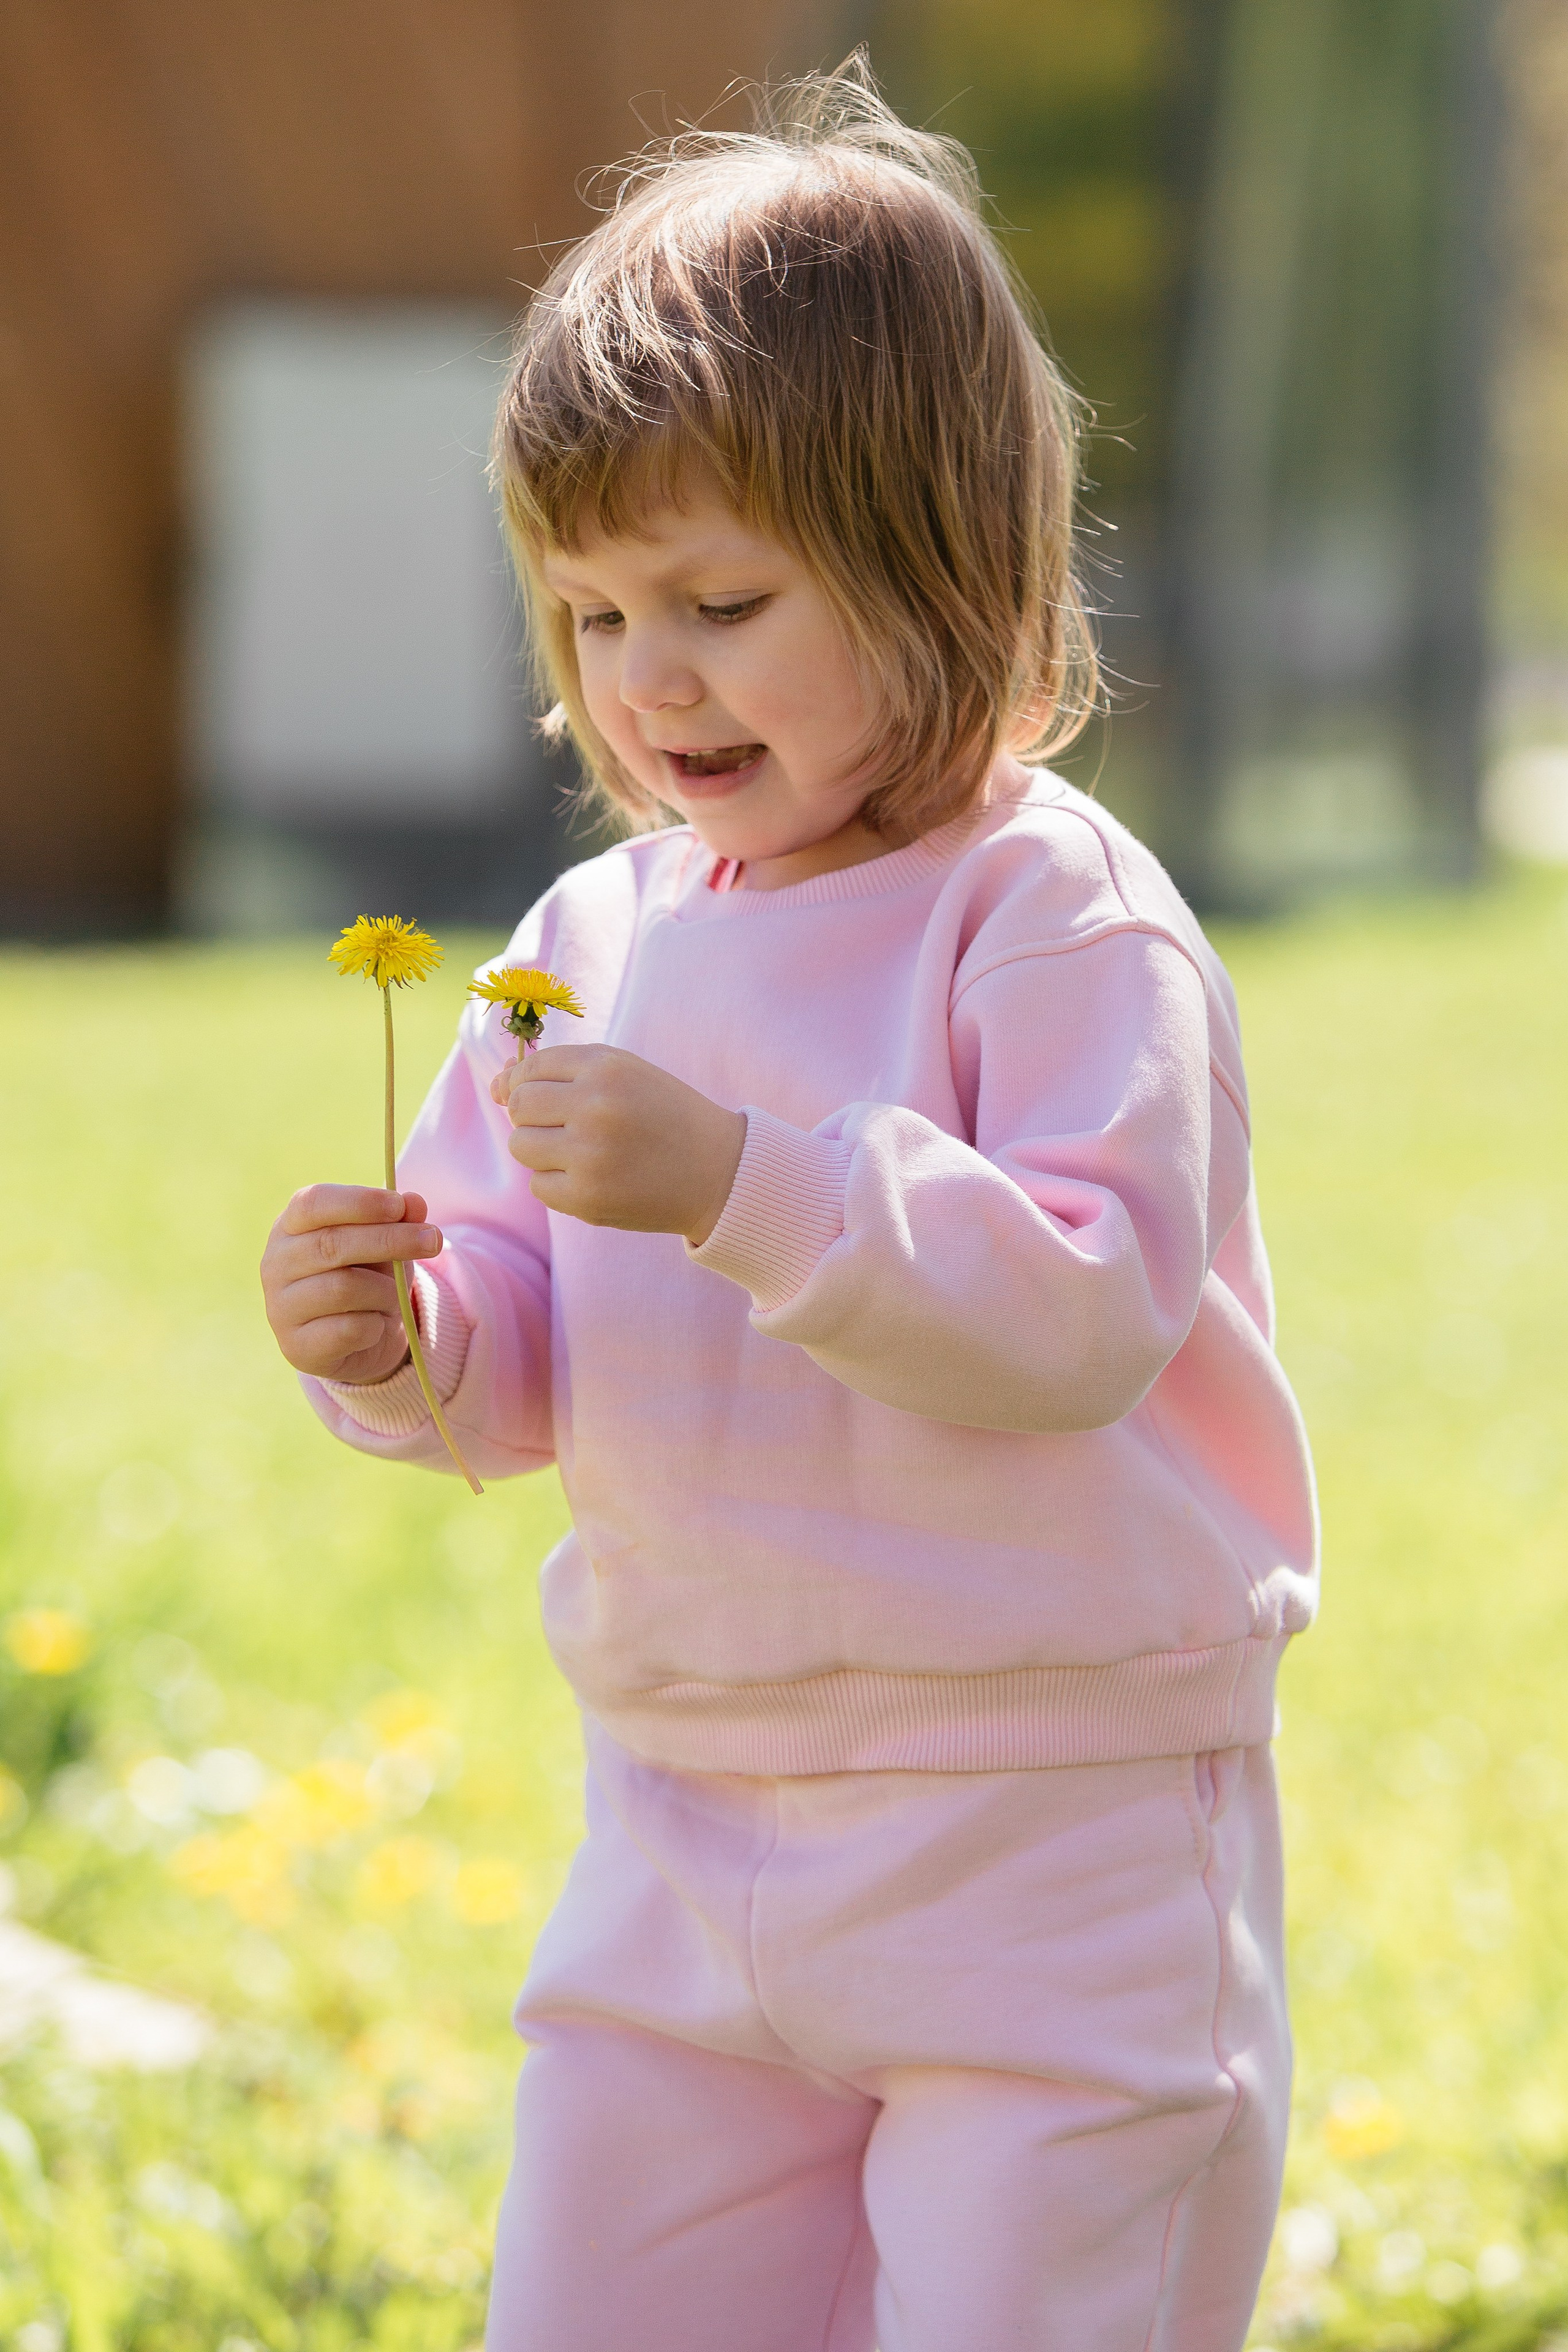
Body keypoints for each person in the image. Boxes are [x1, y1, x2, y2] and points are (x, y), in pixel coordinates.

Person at [260, 59, 1317, 2352]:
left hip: (1042, 1825)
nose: (652, 683)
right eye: (593, 614)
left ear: (940, 561)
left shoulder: (1049, 920)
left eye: (723, 600)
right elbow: (530, 1345)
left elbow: (1084, 1308)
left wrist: (745, 1185)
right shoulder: (590, 941)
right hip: (685, 1812)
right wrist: (411, 1349)